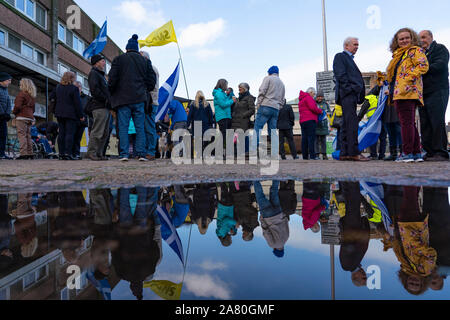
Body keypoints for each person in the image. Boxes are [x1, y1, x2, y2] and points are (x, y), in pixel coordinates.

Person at [108, 34, 156, 162]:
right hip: (139, 99)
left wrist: (113, 93)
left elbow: (112, 80)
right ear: (136, 48)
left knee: (123, 127)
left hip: (123, 99)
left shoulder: (118, 59)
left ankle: (124, 154)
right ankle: (141, 153)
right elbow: (152, 81)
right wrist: (144, 89)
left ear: (127, 49)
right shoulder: (145, 61)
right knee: (140, 127)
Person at [386, 28, 429, 163]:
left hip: (407, 91)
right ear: (396, 42)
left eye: (407, 38)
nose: (404, 41)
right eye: (401, 39)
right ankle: (415, 153)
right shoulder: (399, 55)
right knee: (410, 123)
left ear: (412, 38)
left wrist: (408, 78)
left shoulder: (415, 51)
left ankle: (407, 152)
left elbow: (423, 65)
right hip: (400, 92)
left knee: (405, 123)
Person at [333, 37, 370, 161]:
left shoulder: (349, 59)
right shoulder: (340, 56)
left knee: (347, 124)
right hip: (347, 95)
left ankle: (346, 153)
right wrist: (351, 89)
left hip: (350, 95)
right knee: (351, 124)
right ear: (346, 46)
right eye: (355, 44)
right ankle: (353, 152)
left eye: (357, 45)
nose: (357, 47)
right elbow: (341, 75)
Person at [418, 30, 450, 161]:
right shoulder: (420, 54)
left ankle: (440, 152)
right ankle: (429, 151)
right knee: (425, 121)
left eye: (424, 37)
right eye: (419, 38)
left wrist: (421, 69)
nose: (422, 40)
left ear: (431, 37)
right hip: (423, 92)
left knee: (436, 120)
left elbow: (440, 65)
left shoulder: (440, 48)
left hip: (438, 89)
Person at [338, 182, 370, 287]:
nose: (365, 274)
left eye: (363, 277)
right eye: (366, 277)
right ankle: (347, 181)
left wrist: (358, 234)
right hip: (354, 226)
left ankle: (351, 180)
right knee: (352, 201)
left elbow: (347, 246)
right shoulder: (355, 263)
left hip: (352, 226)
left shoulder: (347, 266)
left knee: (353, 201)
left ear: (355, 277)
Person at [50, 71, 84, 161]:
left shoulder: (58, 87)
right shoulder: (74, 89)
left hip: (59, 113)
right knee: (70, 133)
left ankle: (61, 153)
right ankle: (68, 153)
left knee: (61, 133)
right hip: (70, 114)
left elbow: (51, 97)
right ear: (72, 78)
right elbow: (78, 103)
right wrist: (81, 115)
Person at [253, 66, 286, 154]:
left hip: (266, 105)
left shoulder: (268, 79)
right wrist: (279, 107)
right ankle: (275, 152)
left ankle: (254, 150)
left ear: (269, 72)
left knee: (257, 128)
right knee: (272, 131)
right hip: (275, 108)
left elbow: (262, 91)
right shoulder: (282, 83)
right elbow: (283, 99)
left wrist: (258, 104)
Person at [254, 181, 289, 258]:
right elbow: (266, 232)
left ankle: (276, 177)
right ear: (276, 250)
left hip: (279, 213)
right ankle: (255, 180)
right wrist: (262, 219)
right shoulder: (273, 245)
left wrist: (282, 215)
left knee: (274, 193)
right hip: (268, 217)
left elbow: (286, 222)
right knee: (260, 196)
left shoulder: (286, 238)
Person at [87, 54, 111, 161]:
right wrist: (105, 99)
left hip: (105, 107)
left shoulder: (100, 75)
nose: (104, 63)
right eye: (102, 61)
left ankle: (99, 153)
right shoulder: (94, 74)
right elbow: (95, 90)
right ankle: (92, 152)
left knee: (105, 132)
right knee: (97, 131)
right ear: (96, 62)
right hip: (99, 106)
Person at [140, 51, 159, 161]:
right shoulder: (150, 68)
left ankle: (151, 151)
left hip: (151, 102)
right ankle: (148, 150)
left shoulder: (151, 69)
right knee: (146, 127)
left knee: (149, 127)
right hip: (148, 101)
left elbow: (152, 87)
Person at [12, 78, 36, 160]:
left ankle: (23, 154)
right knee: (28, 135)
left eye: (20, 84)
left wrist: (14, 112)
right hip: (30, 117)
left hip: (21, 117)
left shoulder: (21, 94)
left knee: (21, 135)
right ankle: (30, 153)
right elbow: (34, 109)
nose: (20, 85)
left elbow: (17, 106)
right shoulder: (32, 96)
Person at [298, 88, 323, 160]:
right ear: (310, 92)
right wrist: (320, 111)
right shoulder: (308, 98)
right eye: (314, 94)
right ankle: (312, 156)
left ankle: (305, 156)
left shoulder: (301, 100)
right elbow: (313, 108)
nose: (314, 95)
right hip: (310, 120)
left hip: (302, 121)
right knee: (311, 138)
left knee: (304, 139)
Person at [187, 91, 215, 155]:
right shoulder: (207, 104)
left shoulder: (193, 104)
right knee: (205, 140)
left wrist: (188, 124)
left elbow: (190, 115)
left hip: (196, 124)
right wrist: (211, 123)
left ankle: (199, 154)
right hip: (205, 124)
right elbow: (210, 115)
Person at [232, 83, 255, 155]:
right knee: (236, 137)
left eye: (240, 88)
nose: (239, 89)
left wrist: (243, 115)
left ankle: (247, 152)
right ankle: (237, 152)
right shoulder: (238, 98)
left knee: (244, 136)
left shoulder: (249, 98)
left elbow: (252, 110)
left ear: (245, 89)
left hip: (243, 121)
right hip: (235, 121)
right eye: (238, 87)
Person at [213, 79, 235, 154]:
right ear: (223, 85)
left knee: (226, 135)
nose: (227, 86)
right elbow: (223, 104)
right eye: (226, 84)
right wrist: (232, 101)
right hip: (222, 117)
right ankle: (220, 152)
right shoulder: (218, 93)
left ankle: (225, 152)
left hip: (226, 116)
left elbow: (226, 101)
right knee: (223, 135)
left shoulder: (222, 93)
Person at [72, 81, 89, 160]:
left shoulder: (85, 97)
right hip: (73, 120)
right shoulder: (71, 96)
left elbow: (87, 109)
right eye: (76, 87)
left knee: (78, 138)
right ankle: (72, 153)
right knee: (72, 136)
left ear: (81, 88)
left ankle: (76, 153)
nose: (78, 88)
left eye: (79, 87)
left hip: (82, 121)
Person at [315, 91, 331, 160]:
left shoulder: (326, 104)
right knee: (316, 141)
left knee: (323, 141)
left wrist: (327, 114)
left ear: (323, 97)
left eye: (321, 96)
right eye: (318, 96)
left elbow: (329, 113)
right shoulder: (314, 103)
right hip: (316, 124)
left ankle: (324, 154)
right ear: (316, 97)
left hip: (324, 125)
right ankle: (317, 154)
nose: (320, 98)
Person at [0, 72, 12, 160]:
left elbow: (8, 102)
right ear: (2, 80)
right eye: (8, 80)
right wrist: (1, 113)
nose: (10, 82)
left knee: (3, 135)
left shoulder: (5, 90)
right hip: (0, 115)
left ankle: (2, 153)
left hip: (3, 117)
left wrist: (7, 113)